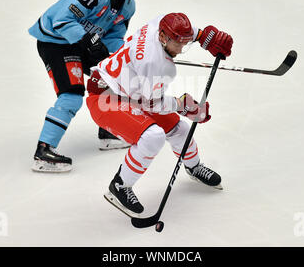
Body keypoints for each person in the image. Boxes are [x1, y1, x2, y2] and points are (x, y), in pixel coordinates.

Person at [86, 13, 233, 216]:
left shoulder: (159, 25)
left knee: (180, 129)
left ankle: (194, 167)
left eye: (185, 42)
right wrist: (184, 106)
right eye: (178, 44)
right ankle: (120, 186)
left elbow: (182, 30)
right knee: (152, 136)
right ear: (163, 38)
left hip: (130, 89)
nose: (181, 49)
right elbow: (153, 103)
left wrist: (203, 36)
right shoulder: (156, 65)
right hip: (104, 97)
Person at [28, 0, 138, 173]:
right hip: (56, 41)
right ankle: (43, 151)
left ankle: (108, 131)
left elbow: (115, 35)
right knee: (72, 94)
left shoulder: (128, 6)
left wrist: (119, 57)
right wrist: (89, 39)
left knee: (115, 76)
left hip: (82, 42)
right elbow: (62, 20)